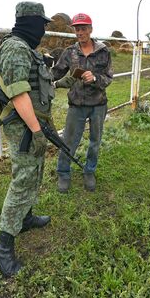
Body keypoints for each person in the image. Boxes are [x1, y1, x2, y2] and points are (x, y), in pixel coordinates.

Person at [0, 1, 54, 277]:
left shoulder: (25, 47)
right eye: (41, 24)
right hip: (24, 124)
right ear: (31, 23)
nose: (43, 30)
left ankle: (24, 218)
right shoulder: (16, 48)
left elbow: (33, 84)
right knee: (24, 178)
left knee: (33, 171)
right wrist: (37, 130)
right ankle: (2, 248)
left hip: (31, 121)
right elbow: (18, 94)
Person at [52, 13, 113, 193]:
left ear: (91, 29)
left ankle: (89, 171)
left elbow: (109, 77)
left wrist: (95, 78)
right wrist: (41, 80)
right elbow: (55, 72)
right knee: (69, 140)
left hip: (98, 104)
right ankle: (63, 173)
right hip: (76, 105)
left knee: (95, 141)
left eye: (83, 28)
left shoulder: (104, 52)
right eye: (77, 29)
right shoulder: (69, 53)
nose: (80, 32)